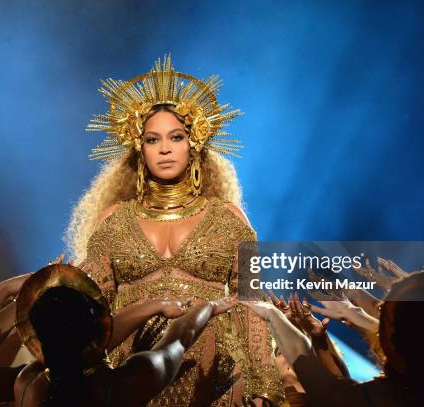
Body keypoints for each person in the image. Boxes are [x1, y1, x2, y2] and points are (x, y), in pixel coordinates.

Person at [66, 55, 284, 406]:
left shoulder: (228, 217)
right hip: (129, 379)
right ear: (140, 148)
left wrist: (264, 388)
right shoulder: (114, 220)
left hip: (216, 379)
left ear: (194, 142)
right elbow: (95, 311)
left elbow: (251, 302)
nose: (165, 148)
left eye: (176, 136)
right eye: (152, 140)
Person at [245, 271, 424, 406]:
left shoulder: (381, 399)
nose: (377, 318)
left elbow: (326, 387)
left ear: (392, 341)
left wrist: (272, 315)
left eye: (382, 313)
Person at [13, 263, 236, 406]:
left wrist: (155, 304)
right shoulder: (125, 384)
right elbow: (180, 336)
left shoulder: (27, 384)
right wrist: (210, 306)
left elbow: (69, 346)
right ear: (98, 330)